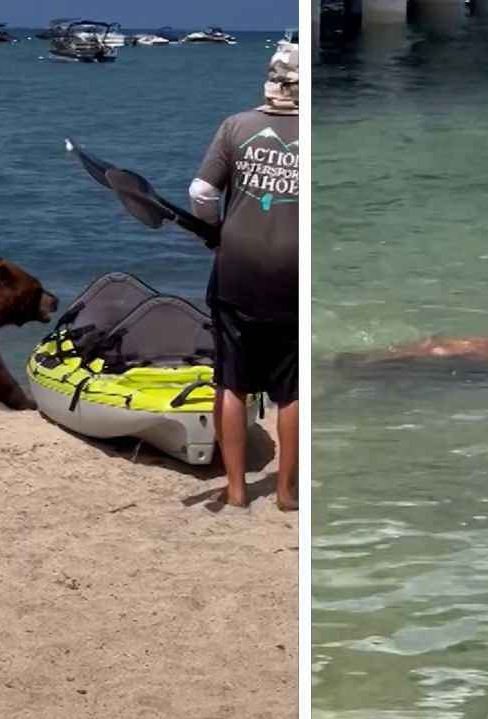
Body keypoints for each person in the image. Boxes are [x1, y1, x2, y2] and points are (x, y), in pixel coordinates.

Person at [189, 40, 299, 511]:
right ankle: (285, 492)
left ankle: (236, 490)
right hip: (294, 279)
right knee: (291, 391)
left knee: (231, 383)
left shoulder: (237, 127)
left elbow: (201, 191)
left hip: (236, 271)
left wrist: (214, 230)